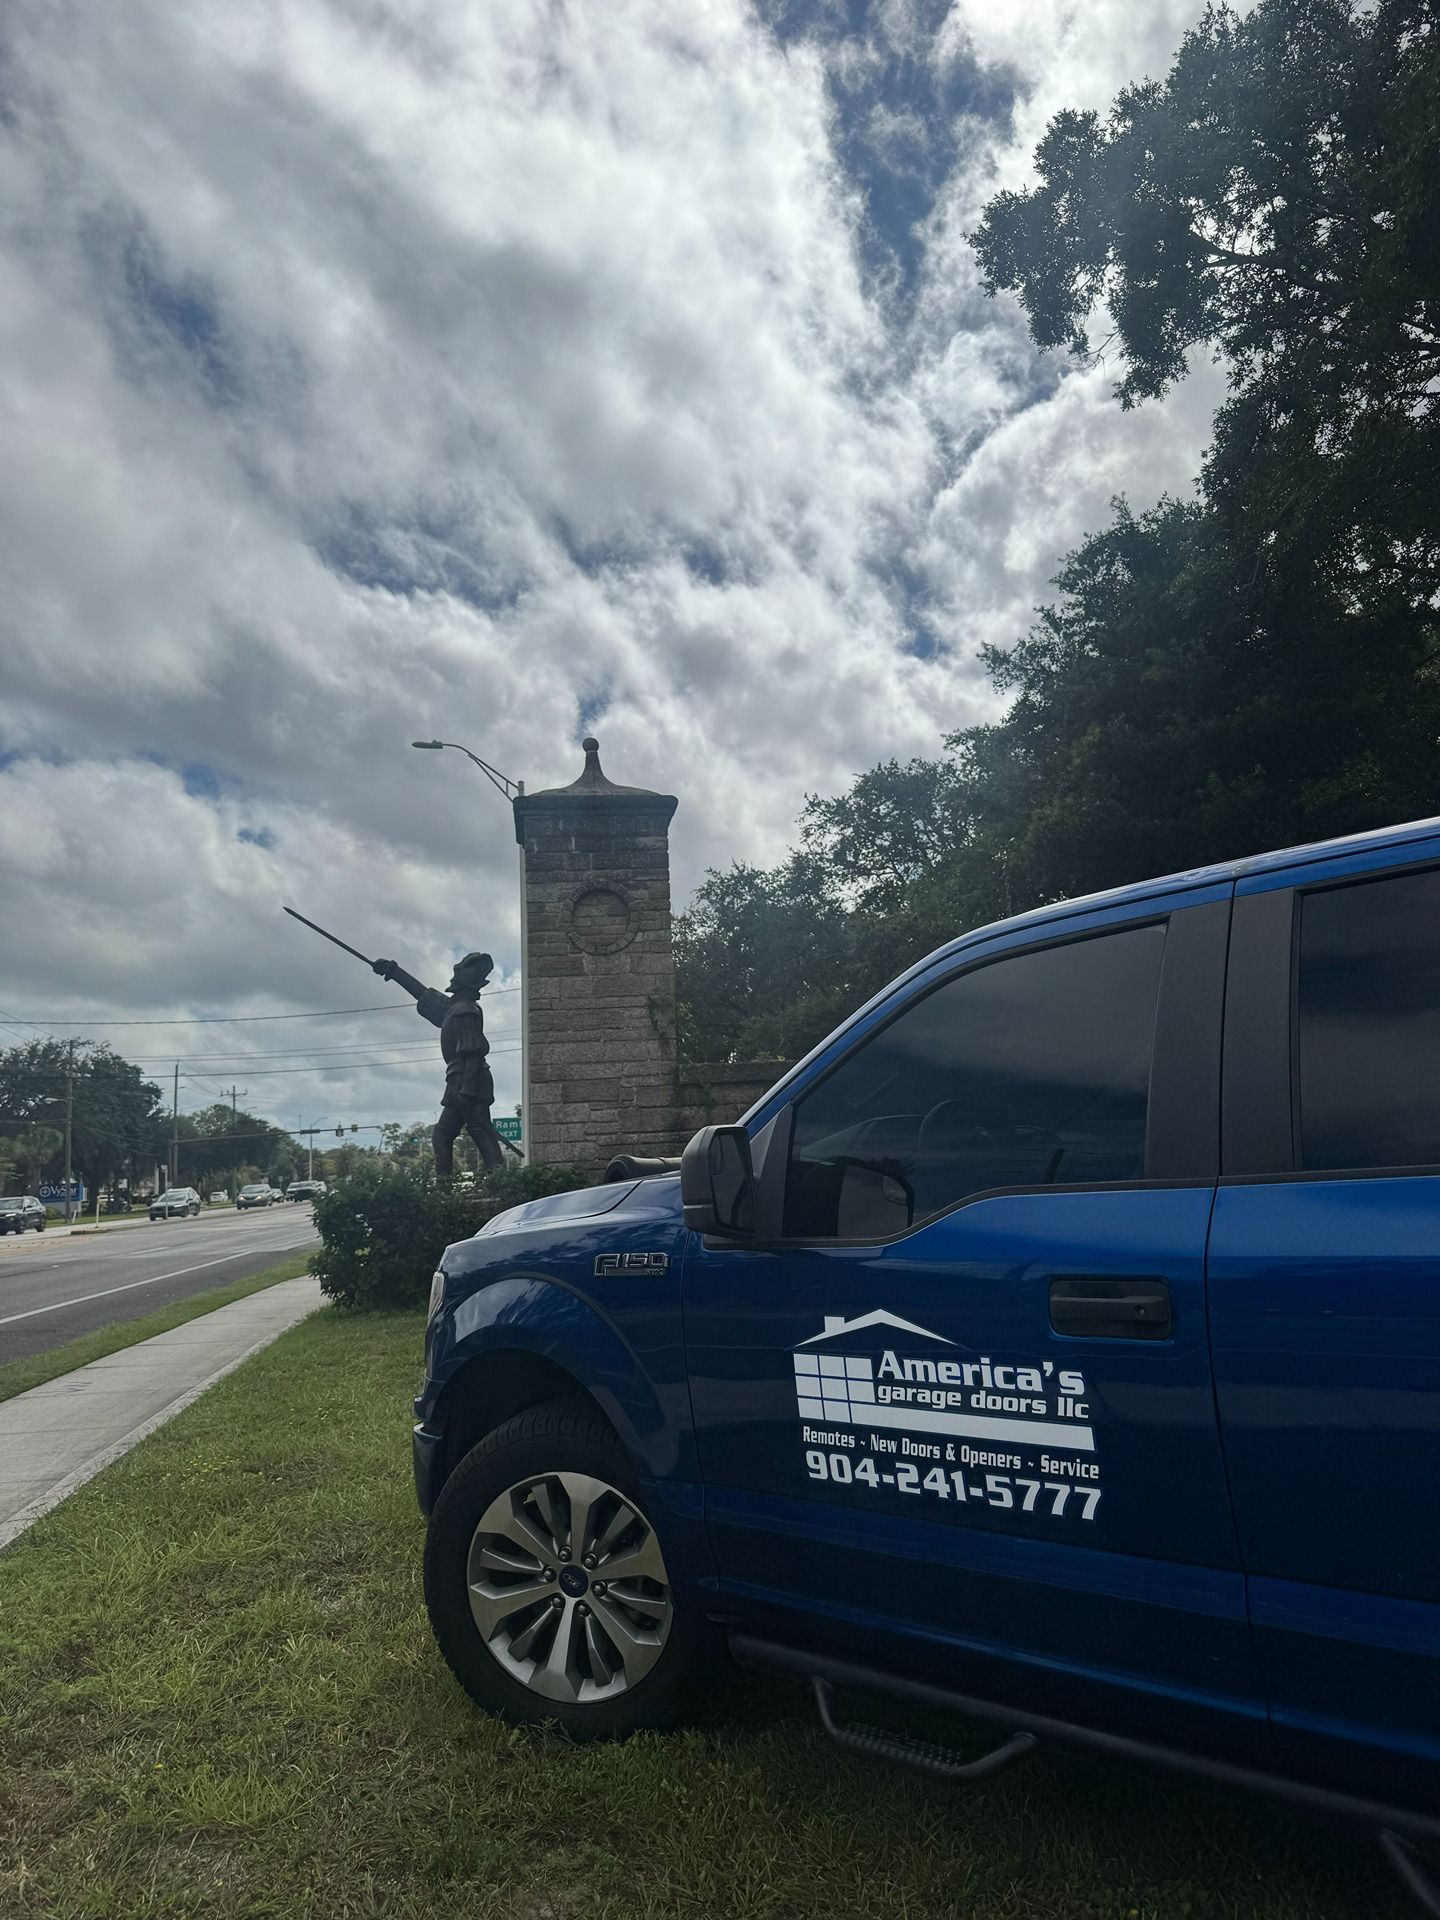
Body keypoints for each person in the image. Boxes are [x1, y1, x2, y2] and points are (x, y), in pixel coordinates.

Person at [370, 949, 506, 1174]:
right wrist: (394, 972)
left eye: (461, 969)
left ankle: (497, 1181)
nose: (455, 971)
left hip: (468, 1079)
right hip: (459, 1079)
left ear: (466, 979)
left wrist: (466, 1090)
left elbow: (473, 1053)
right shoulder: (453, 1008)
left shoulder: (465, 1011)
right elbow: (423, 994)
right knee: (447, 1134)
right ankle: (448, 1187)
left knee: (478, 1130)